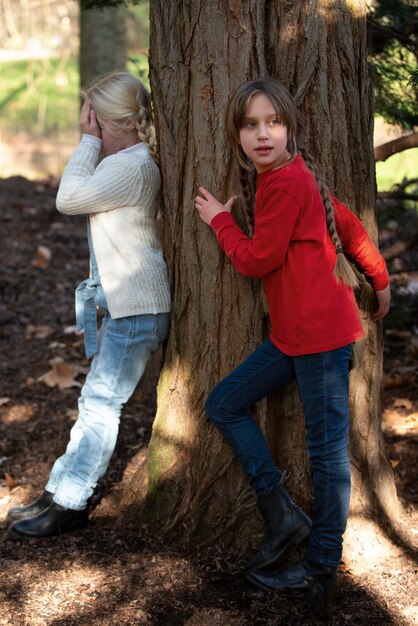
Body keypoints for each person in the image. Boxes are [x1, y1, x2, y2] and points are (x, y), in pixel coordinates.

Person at [195, 78, 390, 616]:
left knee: (327, 459)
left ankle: (320, 567)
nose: (262, 134)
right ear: (237, 135)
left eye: (272, 123)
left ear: (290, 129)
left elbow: (257, 259)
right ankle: (281, 512)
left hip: (321, 341)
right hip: (294, 337)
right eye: (251, 125)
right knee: (224, 403)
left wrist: (220, 223)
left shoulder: (284, 183)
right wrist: (381, 278)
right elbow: (347, 227)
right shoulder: (294, 176)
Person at [7, 71, 171, 539]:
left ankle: (72, 501)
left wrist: (85, 142)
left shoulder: (130, 167)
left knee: (101, 405)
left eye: (92, 115)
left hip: (138, 308)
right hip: (131, 305)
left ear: (106, 119)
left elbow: (67, 198)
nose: (87, 121)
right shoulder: (127, 161)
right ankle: (59, 489)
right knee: (94, 401)